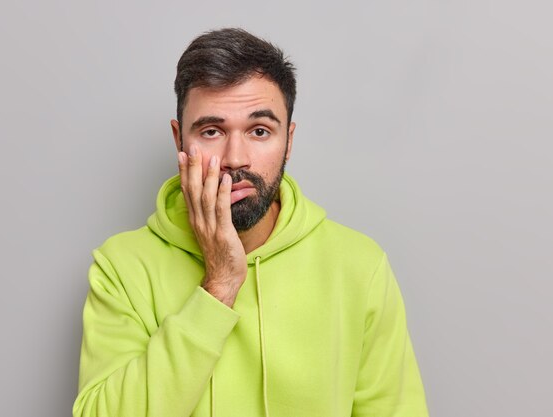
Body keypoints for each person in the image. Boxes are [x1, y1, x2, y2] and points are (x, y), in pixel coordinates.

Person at [72, 27, 430, 417]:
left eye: (260, 131)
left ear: (289, 141)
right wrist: (219, 286)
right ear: (179, 140)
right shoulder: (121, 267)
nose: (235, 158)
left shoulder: (360, 266)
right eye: (212, 131)